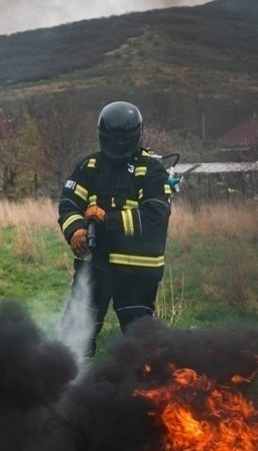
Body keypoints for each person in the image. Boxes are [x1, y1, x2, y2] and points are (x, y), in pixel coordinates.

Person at [58, 100, 172, 358]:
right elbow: (68, 202)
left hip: (138, 273)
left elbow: (154, 215)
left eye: (124, 140)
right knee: (74, 339)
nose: (118, 145)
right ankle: (66, 389)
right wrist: (75, 230)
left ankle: (142, 392)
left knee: (140, 346)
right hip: (96, 267)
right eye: (112, 140)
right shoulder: (90, 166)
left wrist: (107, 219)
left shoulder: (152, 170)